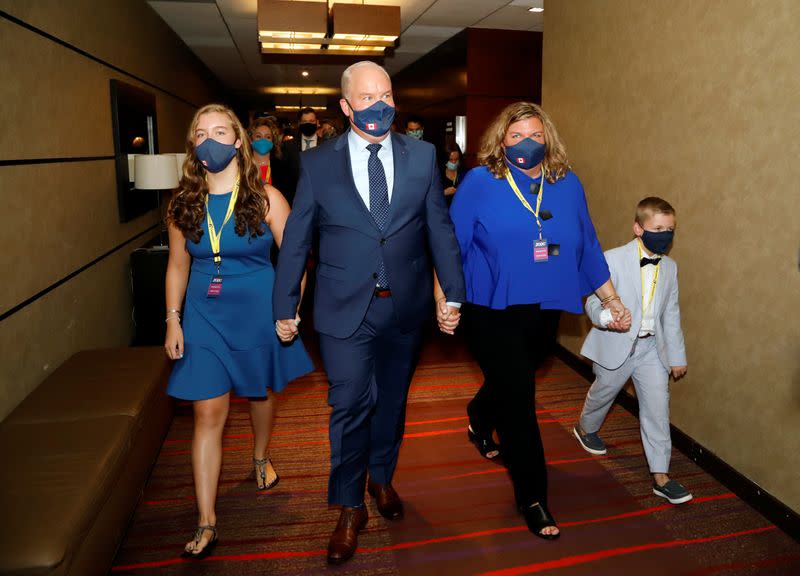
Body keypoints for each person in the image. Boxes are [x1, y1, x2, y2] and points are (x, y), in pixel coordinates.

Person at [272, 61, 465, 565]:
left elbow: (439, 230)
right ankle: (347, 504)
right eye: (366, 97)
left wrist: (452, 293)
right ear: (345, 105)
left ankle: (382, 477)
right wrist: (284, 301)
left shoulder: (422, 156)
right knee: (351, 403)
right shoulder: (317, 165)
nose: (379, 105)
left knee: (393, 403)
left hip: (404, 306)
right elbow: (297, 238)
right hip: (342, 310)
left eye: (386, 94)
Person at [448, 101, 631, 540]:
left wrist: (612, 299)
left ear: (547, 137)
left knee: (513, 380)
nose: (526, 143)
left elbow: (586, 243)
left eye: (534, 134)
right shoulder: (480, 181)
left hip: (544, 308)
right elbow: (450, 243)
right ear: (500, 142)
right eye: (515, 136)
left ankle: (477, 413)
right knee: (519, 402)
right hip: (491, 308)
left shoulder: (567, 184)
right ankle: (533, 496)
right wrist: (446, 297)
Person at [164, 103, 313, 559]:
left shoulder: (268, 198)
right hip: (203, 316)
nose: (210, 139)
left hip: (258, 310)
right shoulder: (182, 202)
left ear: (238, 141)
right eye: (201, 132)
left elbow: (296, 261)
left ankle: (260, 457)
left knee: (261, 394)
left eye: (220, 131)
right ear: (193, 144)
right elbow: (177, 264)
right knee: (207, 413)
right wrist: (172, 318)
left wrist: (290, 309)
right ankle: (207, 520)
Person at [575, 197, 691, 504]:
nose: (665, 235)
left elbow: (672, 313)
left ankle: (660, 475)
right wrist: (606, 318)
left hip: (652, 348)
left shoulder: (670, 267)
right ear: (638, 228)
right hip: (617, 343)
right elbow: (591, 301)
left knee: (657, 406)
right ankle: (585, 428)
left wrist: (677, 356)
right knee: (604, 392)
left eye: (670, 229)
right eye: (658, 228)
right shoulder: (611, 259)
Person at [248, 116, 294, 204]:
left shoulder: (284, 169)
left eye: (268, 137)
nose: (263, 140)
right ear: (251, 139)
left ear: (273, 141)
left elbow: (289, 199)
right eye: (258, 136)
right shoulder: (242, 167)